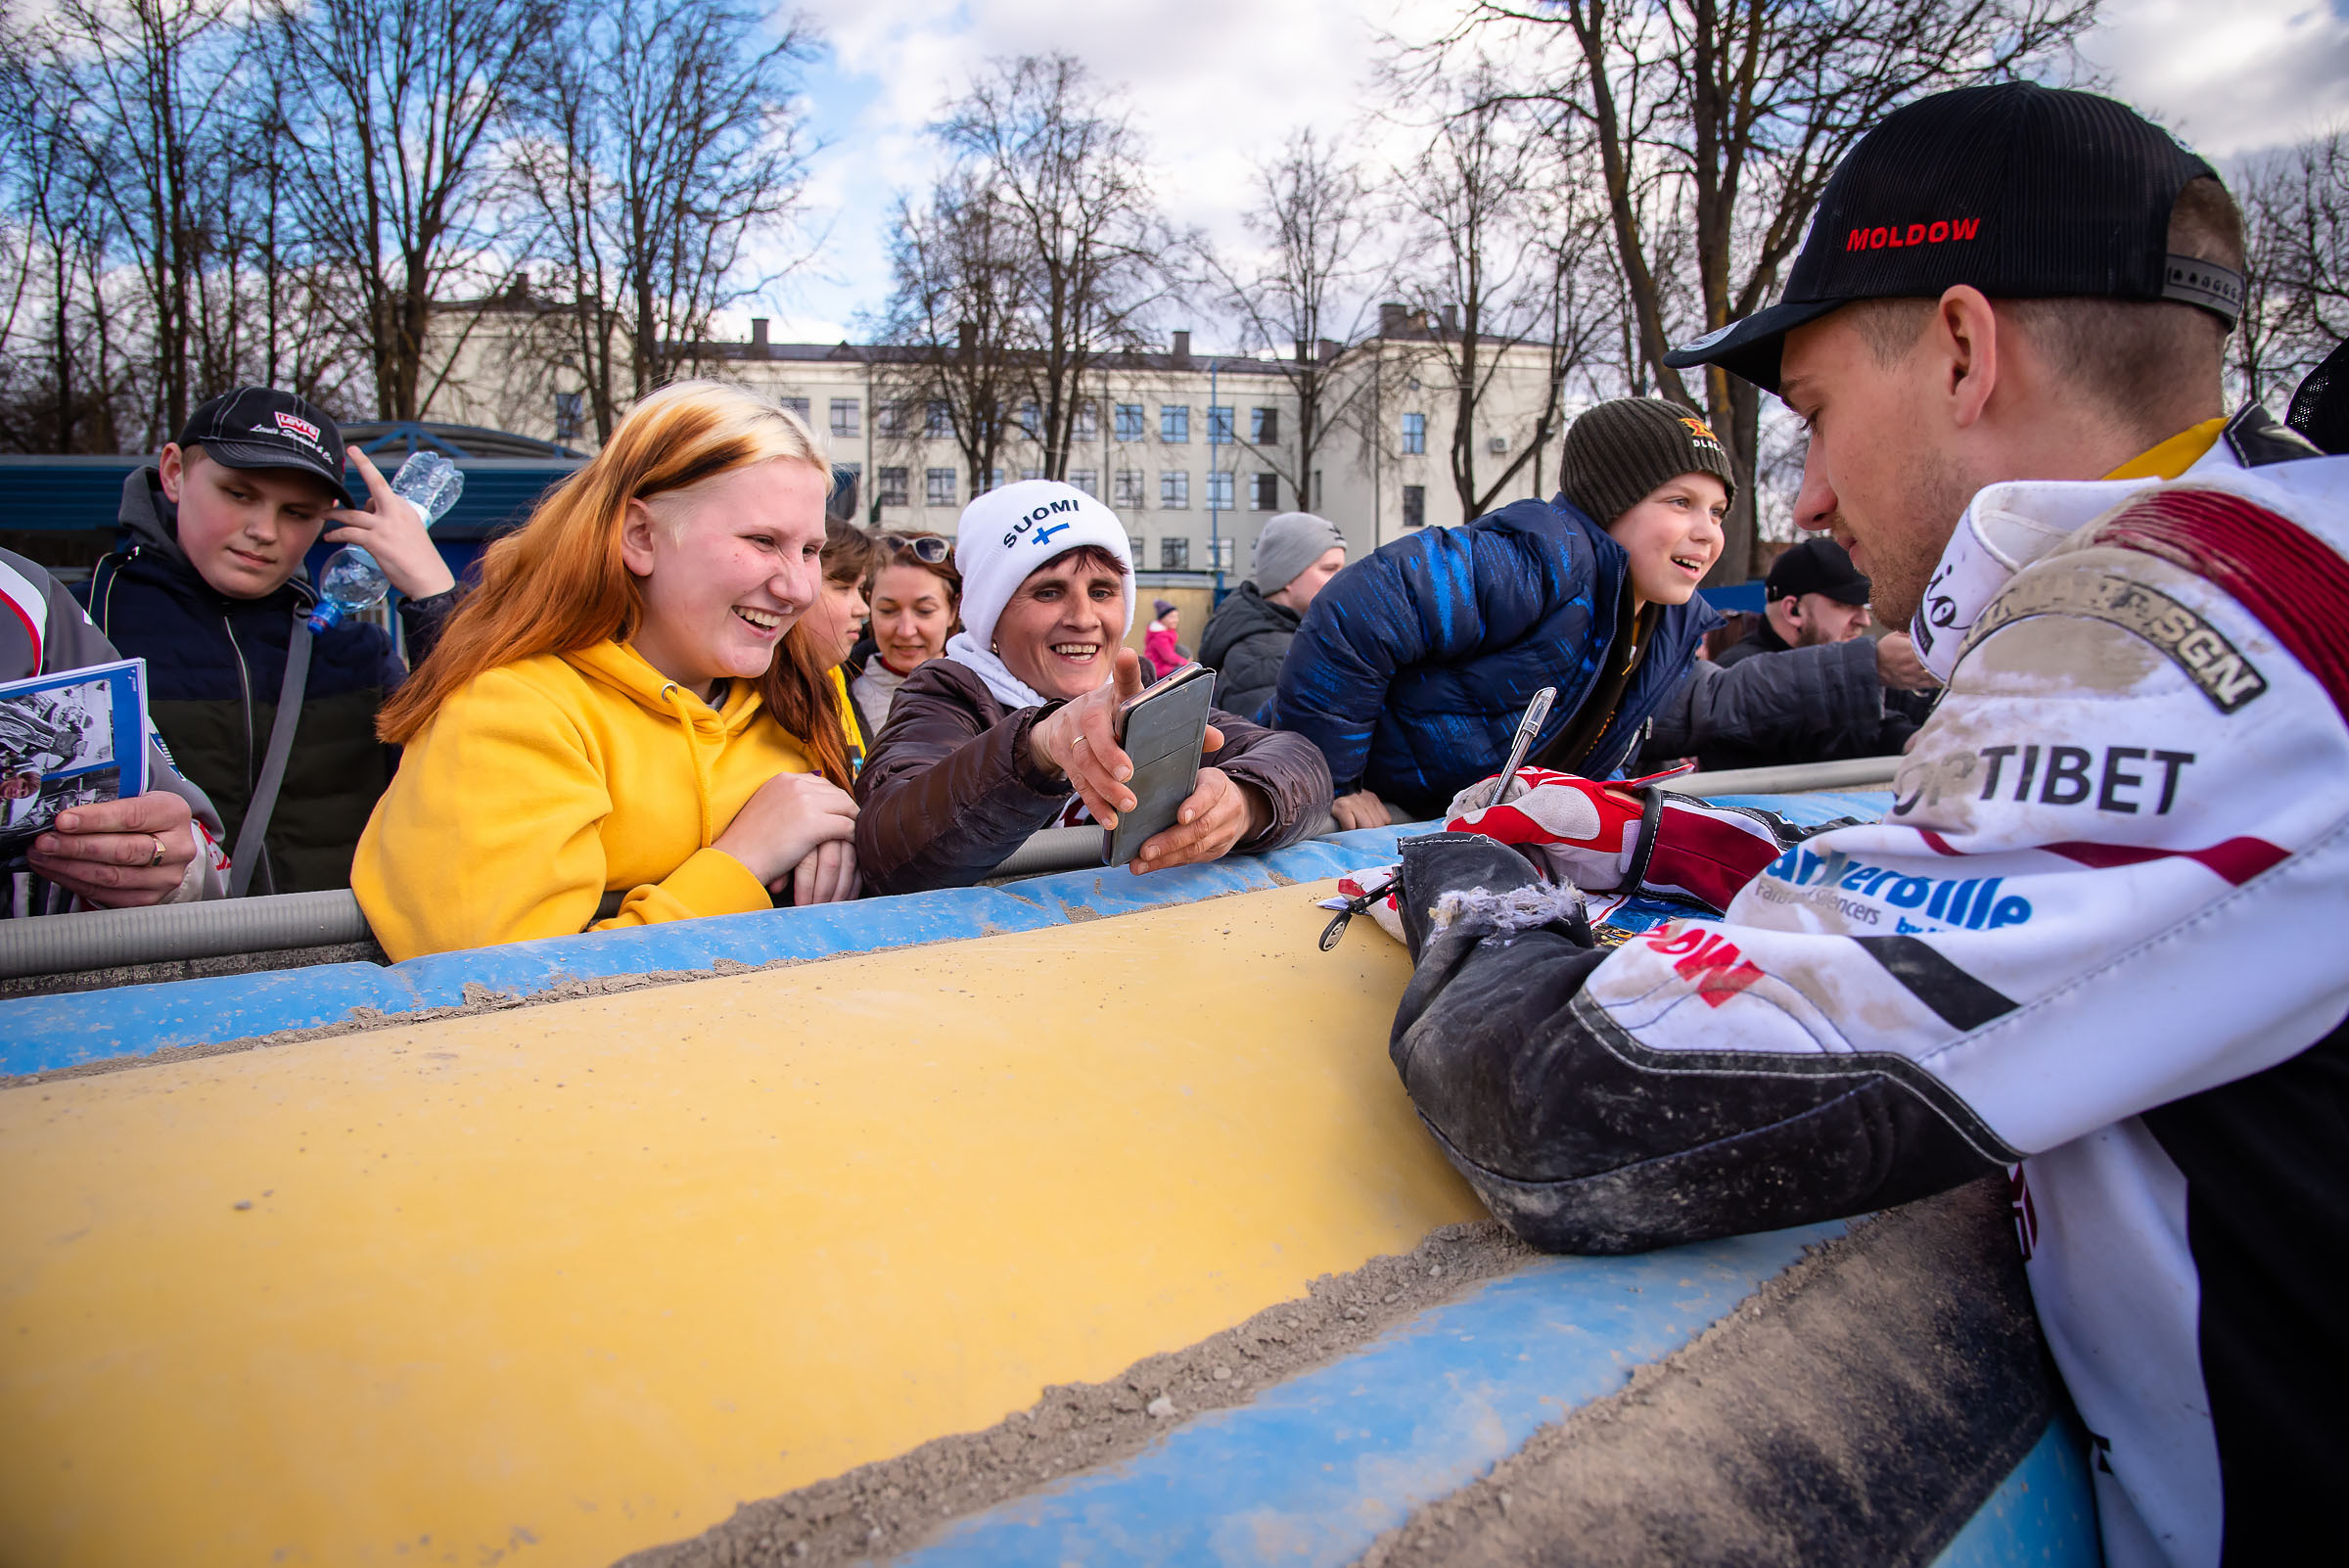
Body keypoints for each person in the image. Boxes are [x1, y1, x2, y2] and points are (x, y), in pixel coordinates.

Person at [1381, 83, 2344, 1567]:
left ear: (1963, 348)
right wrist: (1665, 848)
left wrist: (1474, 890)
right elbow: (2025, 911)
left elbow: (1595, 1096)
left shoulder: (2172, 632)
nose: (1810, 490)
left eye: (1817, 415)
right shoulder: (2281, 552)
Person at [352, 382, 862, 960]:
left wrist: (837, 832)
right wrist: (743, 863)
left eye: (810, 551)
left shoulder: (796, 703)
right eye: (763, 541)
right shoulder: (512, 713)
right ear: (640, 537)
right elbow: (499, 989)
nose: (797, 588)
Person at [1267, 397, 1736, 828]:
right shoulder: (1539, 558)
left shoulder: (1666, 623)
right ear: (1612, 501)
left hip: (1448, 830)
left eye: (1717, 512)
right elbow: (1359, 609)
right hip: (1352, 806)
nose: (1708, 533)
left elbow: (1589, 734)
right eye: (1681, 502)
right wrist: (1331, 780)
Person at [853, 480, 1331, 895]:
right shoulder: (948, 692)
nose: (1083, 619)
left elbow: (1300, 761)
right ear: (989, 616)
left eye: (1102, 591)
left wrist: (1245, 802)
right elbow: (888, 851)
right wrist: (1037, 746)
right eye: (1048, 591)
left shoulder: (1142, 685)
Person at [88, 386, 457, 895]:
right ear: (174, 473)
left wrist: (434, 596)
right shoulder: (85, 628)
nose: (264, 530)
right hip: (136, 968)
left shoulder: (356, 655)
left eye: (297, 513)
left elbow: (475, 782)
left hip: (341, 967)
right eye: (240, 495)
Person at [2, 547, 230, 916]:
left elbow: (193, 855)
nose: (263, 532)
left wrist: (170, 872)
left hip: (47, 956)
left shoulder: (22, 594)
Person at [1680, 534, 1940, 771]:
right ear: (1793, 611)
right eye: (1845, 605)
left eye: (1864, 607)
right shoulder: (1737, 668)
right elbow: (1823, 731)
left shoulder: (1835, 674)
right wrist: (1906, 739)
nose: (1864, 620)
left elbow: (1878, 707)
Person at [1196, 511, 1348, 720]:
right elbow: (1277, 746)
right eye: (1329, 569)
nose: (1341, 580)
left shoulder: (1284, 638)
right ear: (1287, 574)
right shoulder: (1266, 657)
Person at [789, 515, 880, 771]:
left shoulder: (833, 682)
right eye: (843, 587)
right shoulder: (755, 710)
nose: (862, 609)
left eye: (861, 590)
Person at [850, 533, 960, 734]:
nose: (906, 631)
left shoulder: (989, 697)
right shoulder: (835, 699)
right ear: (868, 605)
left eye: (924, 611)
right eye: (888, 610)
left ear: (953, 610)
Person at [1143, 598, 1185, 673]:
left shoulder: (1166, 632)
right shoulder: (1160, 636)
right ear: (1162, 619)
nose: (1176, 620)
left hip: (1164, 667)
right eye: (1172, 617)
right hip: (1158, 669)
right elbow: (1169, 657)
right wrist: (1185, 662)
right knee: (1184, 672)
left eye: (1176, 617)